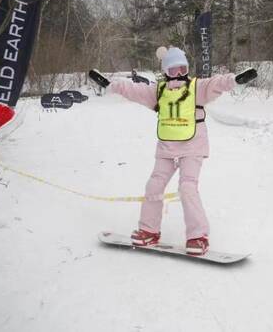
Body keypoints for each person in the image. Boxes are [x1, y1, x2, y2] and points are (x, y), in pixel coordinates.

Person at [89, 46, 257, 256]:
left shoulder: (197, 88)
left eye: (182, 68)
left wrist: (235, 80)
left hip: (192, 146)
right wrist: (112, 85)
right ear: (165, 72)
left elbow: (217, 83)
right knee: (153, 185)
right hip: (167, 147)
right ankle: (149, 230)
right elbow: (133, 90)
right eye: (172, 70)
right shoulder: (158, 91)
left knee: (187, 187)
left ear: (187, 68)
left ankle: (198, 236)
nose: (178, 74)